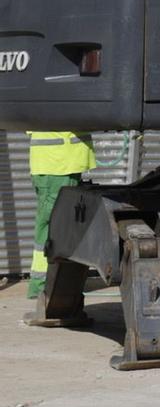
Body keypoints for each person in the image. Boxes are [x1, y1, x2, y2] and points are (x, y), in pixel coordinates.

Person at [25, 130, 94, 303]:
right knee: (52, 224)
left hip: (61, 162)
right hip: (58, 163)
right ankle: (43, 284)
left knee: (55, 224)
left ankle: (45, 282)